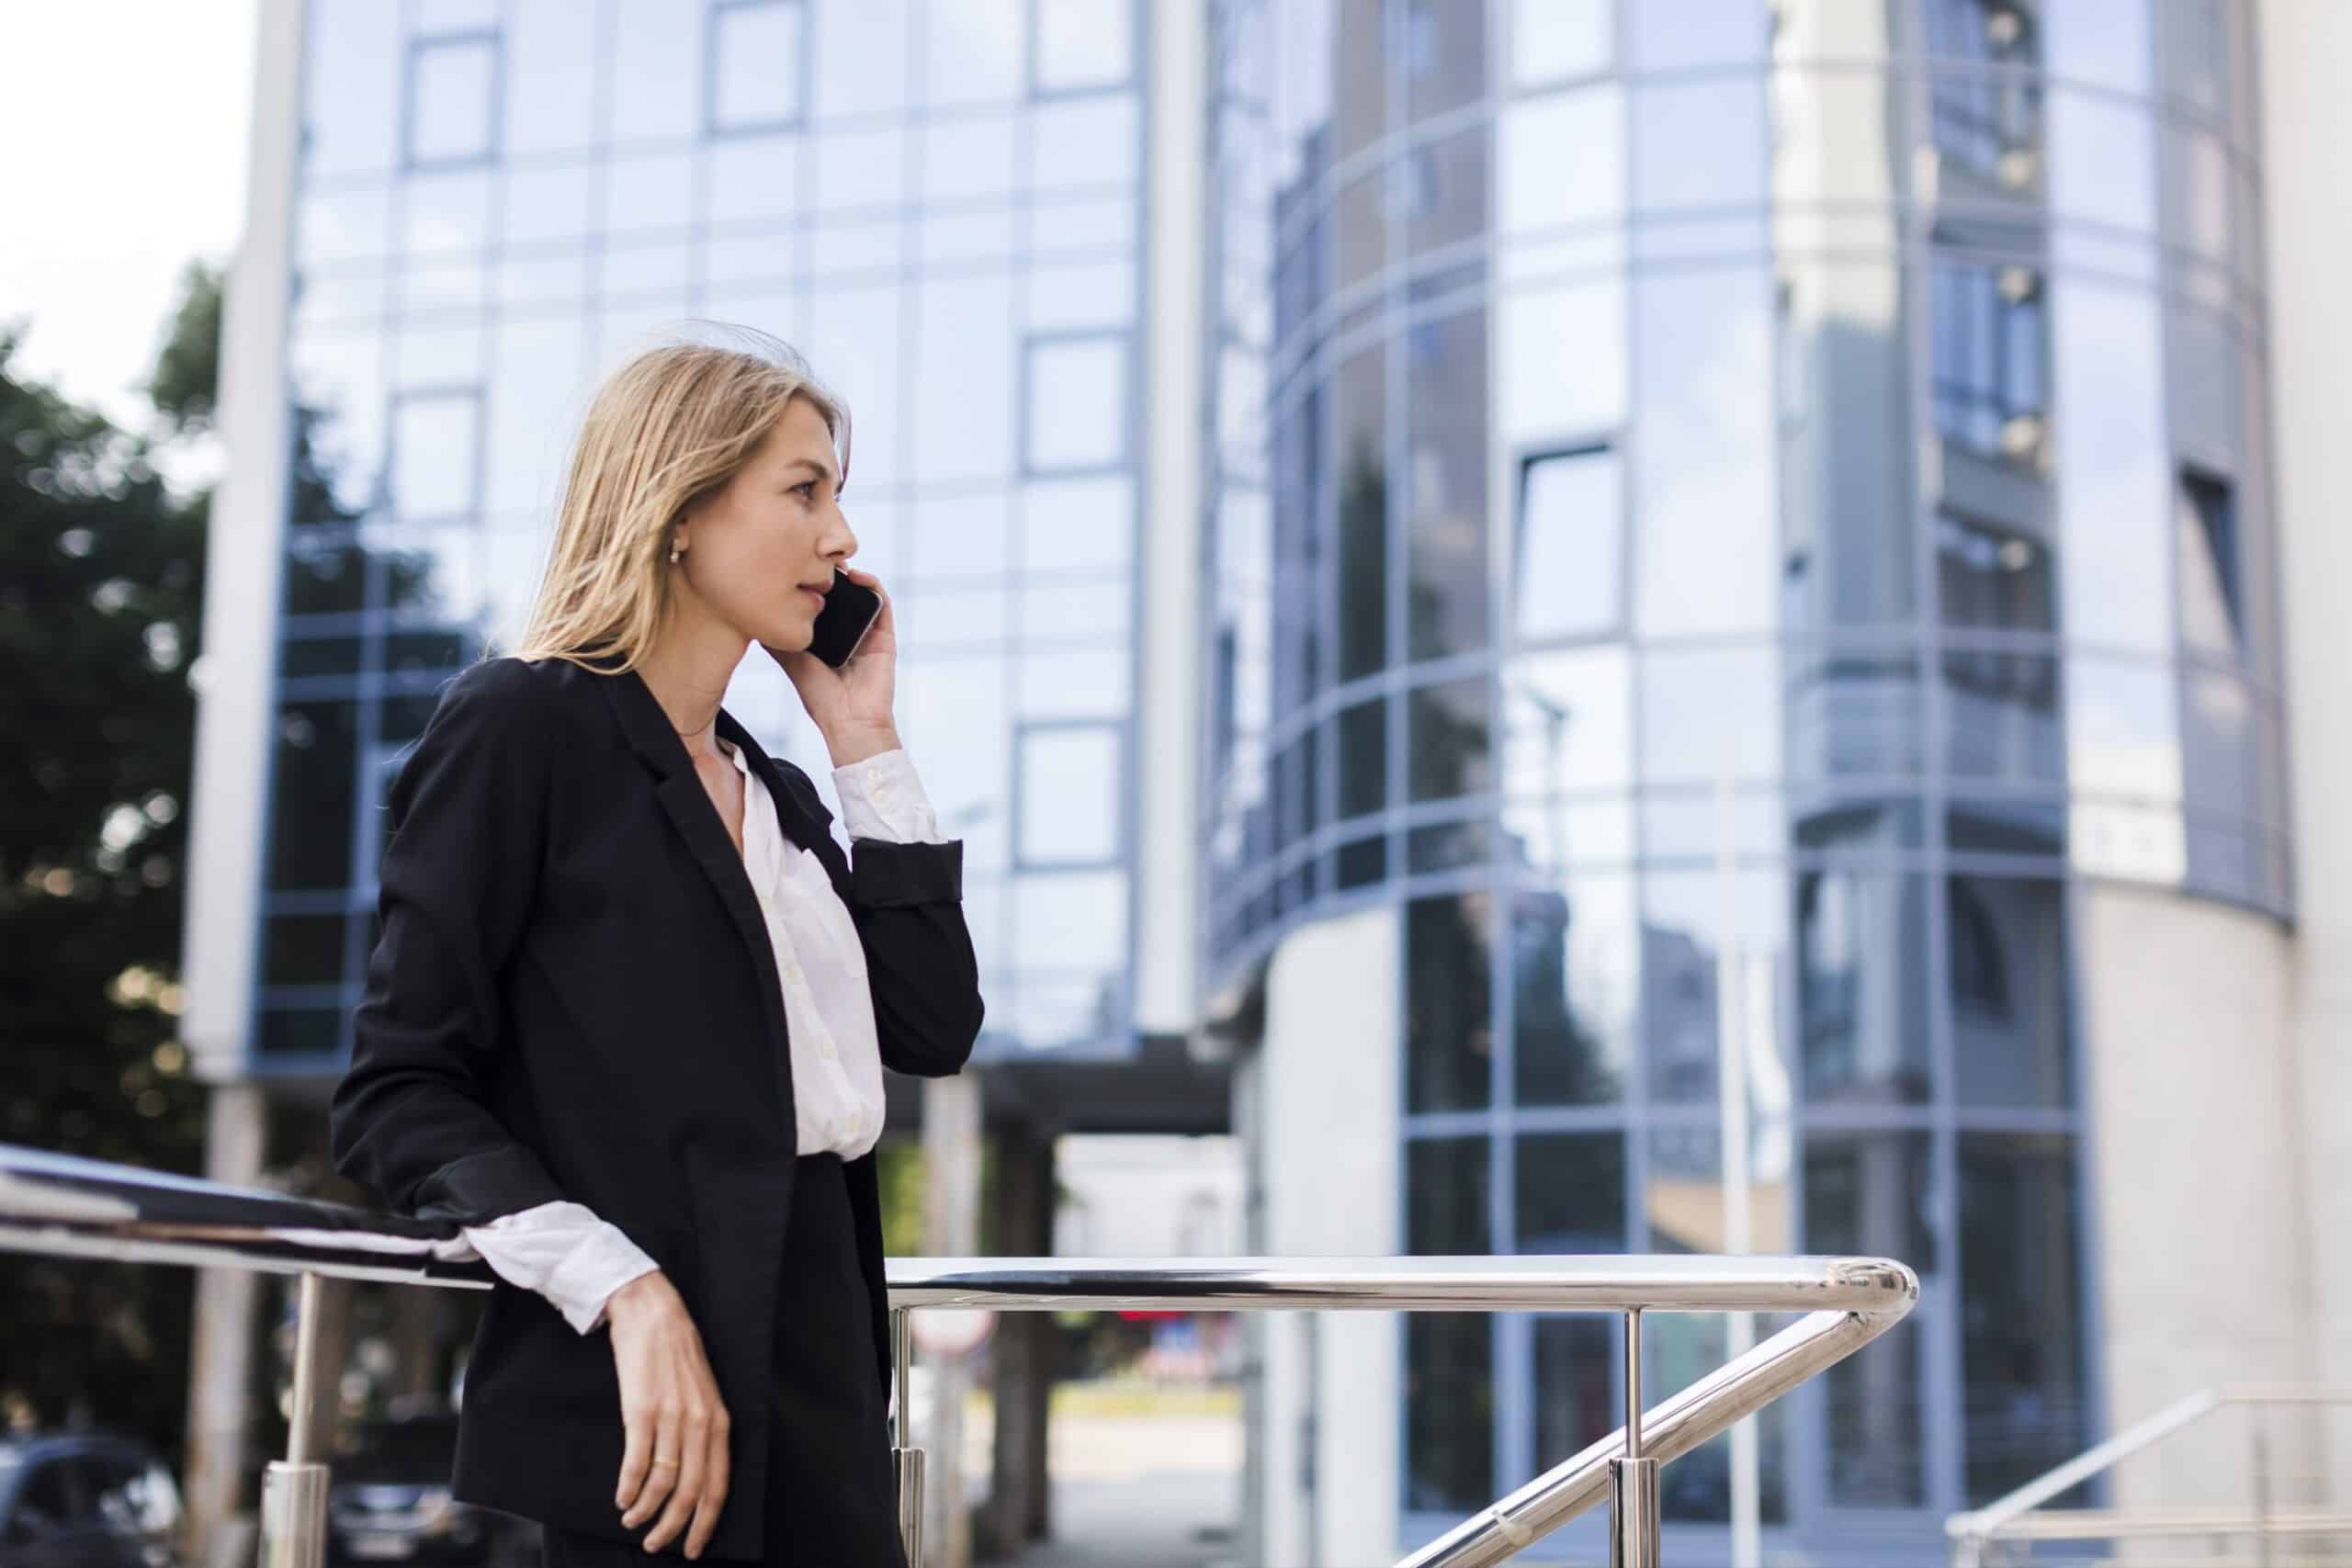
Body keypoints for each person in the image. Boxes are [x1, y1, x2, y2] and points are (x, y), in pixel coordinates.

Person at [328, 327, 983, 1564]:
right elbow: (396, 1092)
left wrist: (863, 739)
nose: (843, 539)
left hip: (826, 1369)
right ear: (679, 509)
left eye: (838, 495)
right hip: (645, 1407)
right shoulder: (522, 725)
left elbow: (934, 1027)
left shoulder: (777, 789)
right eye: (805, 490)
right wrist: (620, 1288)